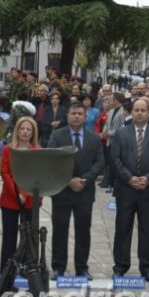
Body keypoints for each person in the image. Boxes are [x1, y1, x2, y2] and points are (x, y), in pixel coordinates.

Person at [110, 98, 149, 282]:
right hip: (126, 191)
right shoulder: (121, 133)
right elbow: (115, 159)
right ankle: (120, 266)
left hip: (148, 191)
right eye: (136, 110)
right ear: (132, 112)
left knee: (146, 231)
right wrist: (129, 178)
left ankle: (146, 267)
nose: (140, 113)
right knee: (122, 229)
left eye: (143, 110)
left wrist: (148, 178)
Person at [47, 102, 104, 280]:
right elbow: (52, 161)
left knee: (83, 230)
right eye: (73, 113)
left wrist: (84, 180)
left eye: (80, 113)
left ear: (85, 116)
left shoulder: (94, 138)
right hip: (62, 190)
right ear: (67, 115)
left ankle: (82, 268)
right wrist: (69, 180)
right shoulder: (57, 136)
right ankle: (58, 267)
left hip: (85, 192)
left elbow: (99, 163)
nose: (77, 116)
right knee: (60, 230)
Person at [0, 116, 39, 274]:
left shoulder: (37, 151)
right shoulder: (8, 149)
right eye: (22, 129)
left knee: (28, 237)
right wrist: (17, 194)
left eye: (28, 129)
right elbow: (5, 172)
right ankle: (6, 273)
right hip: (10, 200)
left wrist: (24, 193)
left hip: (29, 201)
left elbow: (36, 175)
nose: (25, 132)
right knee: (9, 238)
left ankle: (26, 271)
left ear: (33, 132)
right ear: (17, 130)